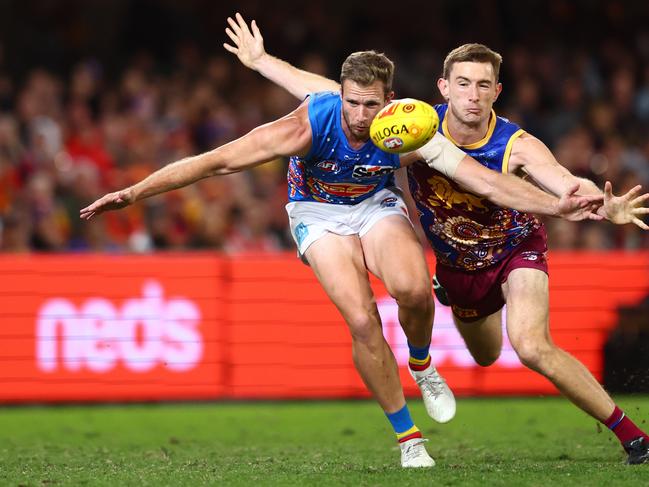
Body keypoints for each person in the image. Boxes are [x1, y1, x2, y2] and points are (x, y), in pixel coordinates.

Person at [82, 45, 601, 470]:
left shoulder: (409, 129)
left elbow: (484, 180)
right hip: (316, 211)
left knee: (416, 289)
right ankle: (409, 439)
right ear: (341, 95)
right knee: (361, 317)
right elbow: (214, 162)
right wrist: (133, 193)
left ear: (389, 102)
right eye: (351, 102)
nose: (359, 116)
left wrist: (558, 204)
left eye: (370, 105)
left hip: (375, 204)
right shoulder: (306, 124)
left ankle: (421, 364)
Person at [222, 14, 649, 465]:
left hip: (514, 247)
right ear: (443, 88)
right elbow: (329, 92)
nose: (473, 94)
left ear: (496, 93)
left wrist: (603, 205)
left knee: (530, 344)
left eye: (484, 85)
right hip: (458, 265)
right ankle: (444, 295)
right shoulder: (413, 124)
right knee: (485, 356)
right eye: (463, 83)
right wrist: (262, 60)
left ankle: (632, 436)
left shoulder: (516, 145)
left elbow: (563, 181)